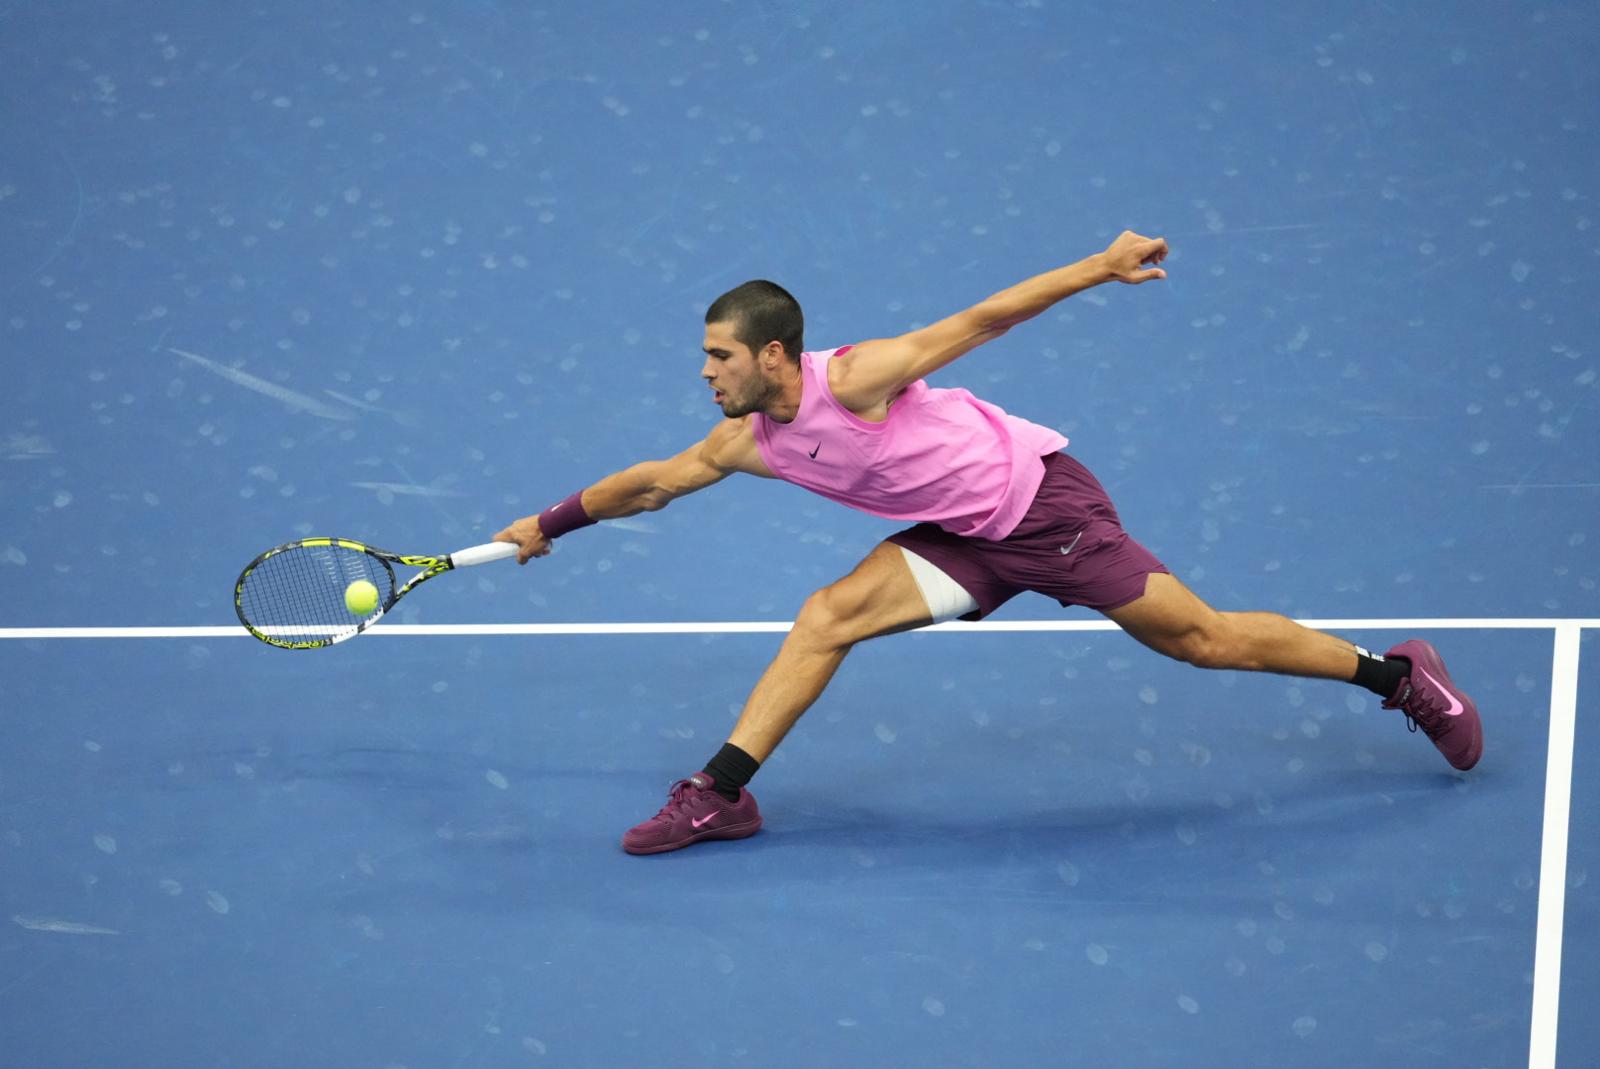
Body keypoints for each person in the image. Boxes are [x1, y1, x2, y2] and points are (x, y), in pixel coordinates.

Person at [494, 231, 1483, 856]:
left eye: (718, 356)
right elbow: (653, 483)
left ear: (772, 354)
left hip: (1045, 511)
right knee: (825, 617)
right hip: (962, 538)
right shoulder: (743, 441)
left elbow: (982, 319)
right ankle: (721, 794)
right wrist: (548, 523)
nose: (705, 373)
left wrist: (1099, 266)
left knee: (1203, 640)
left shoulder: (861, 378)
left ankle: (1393, 674)